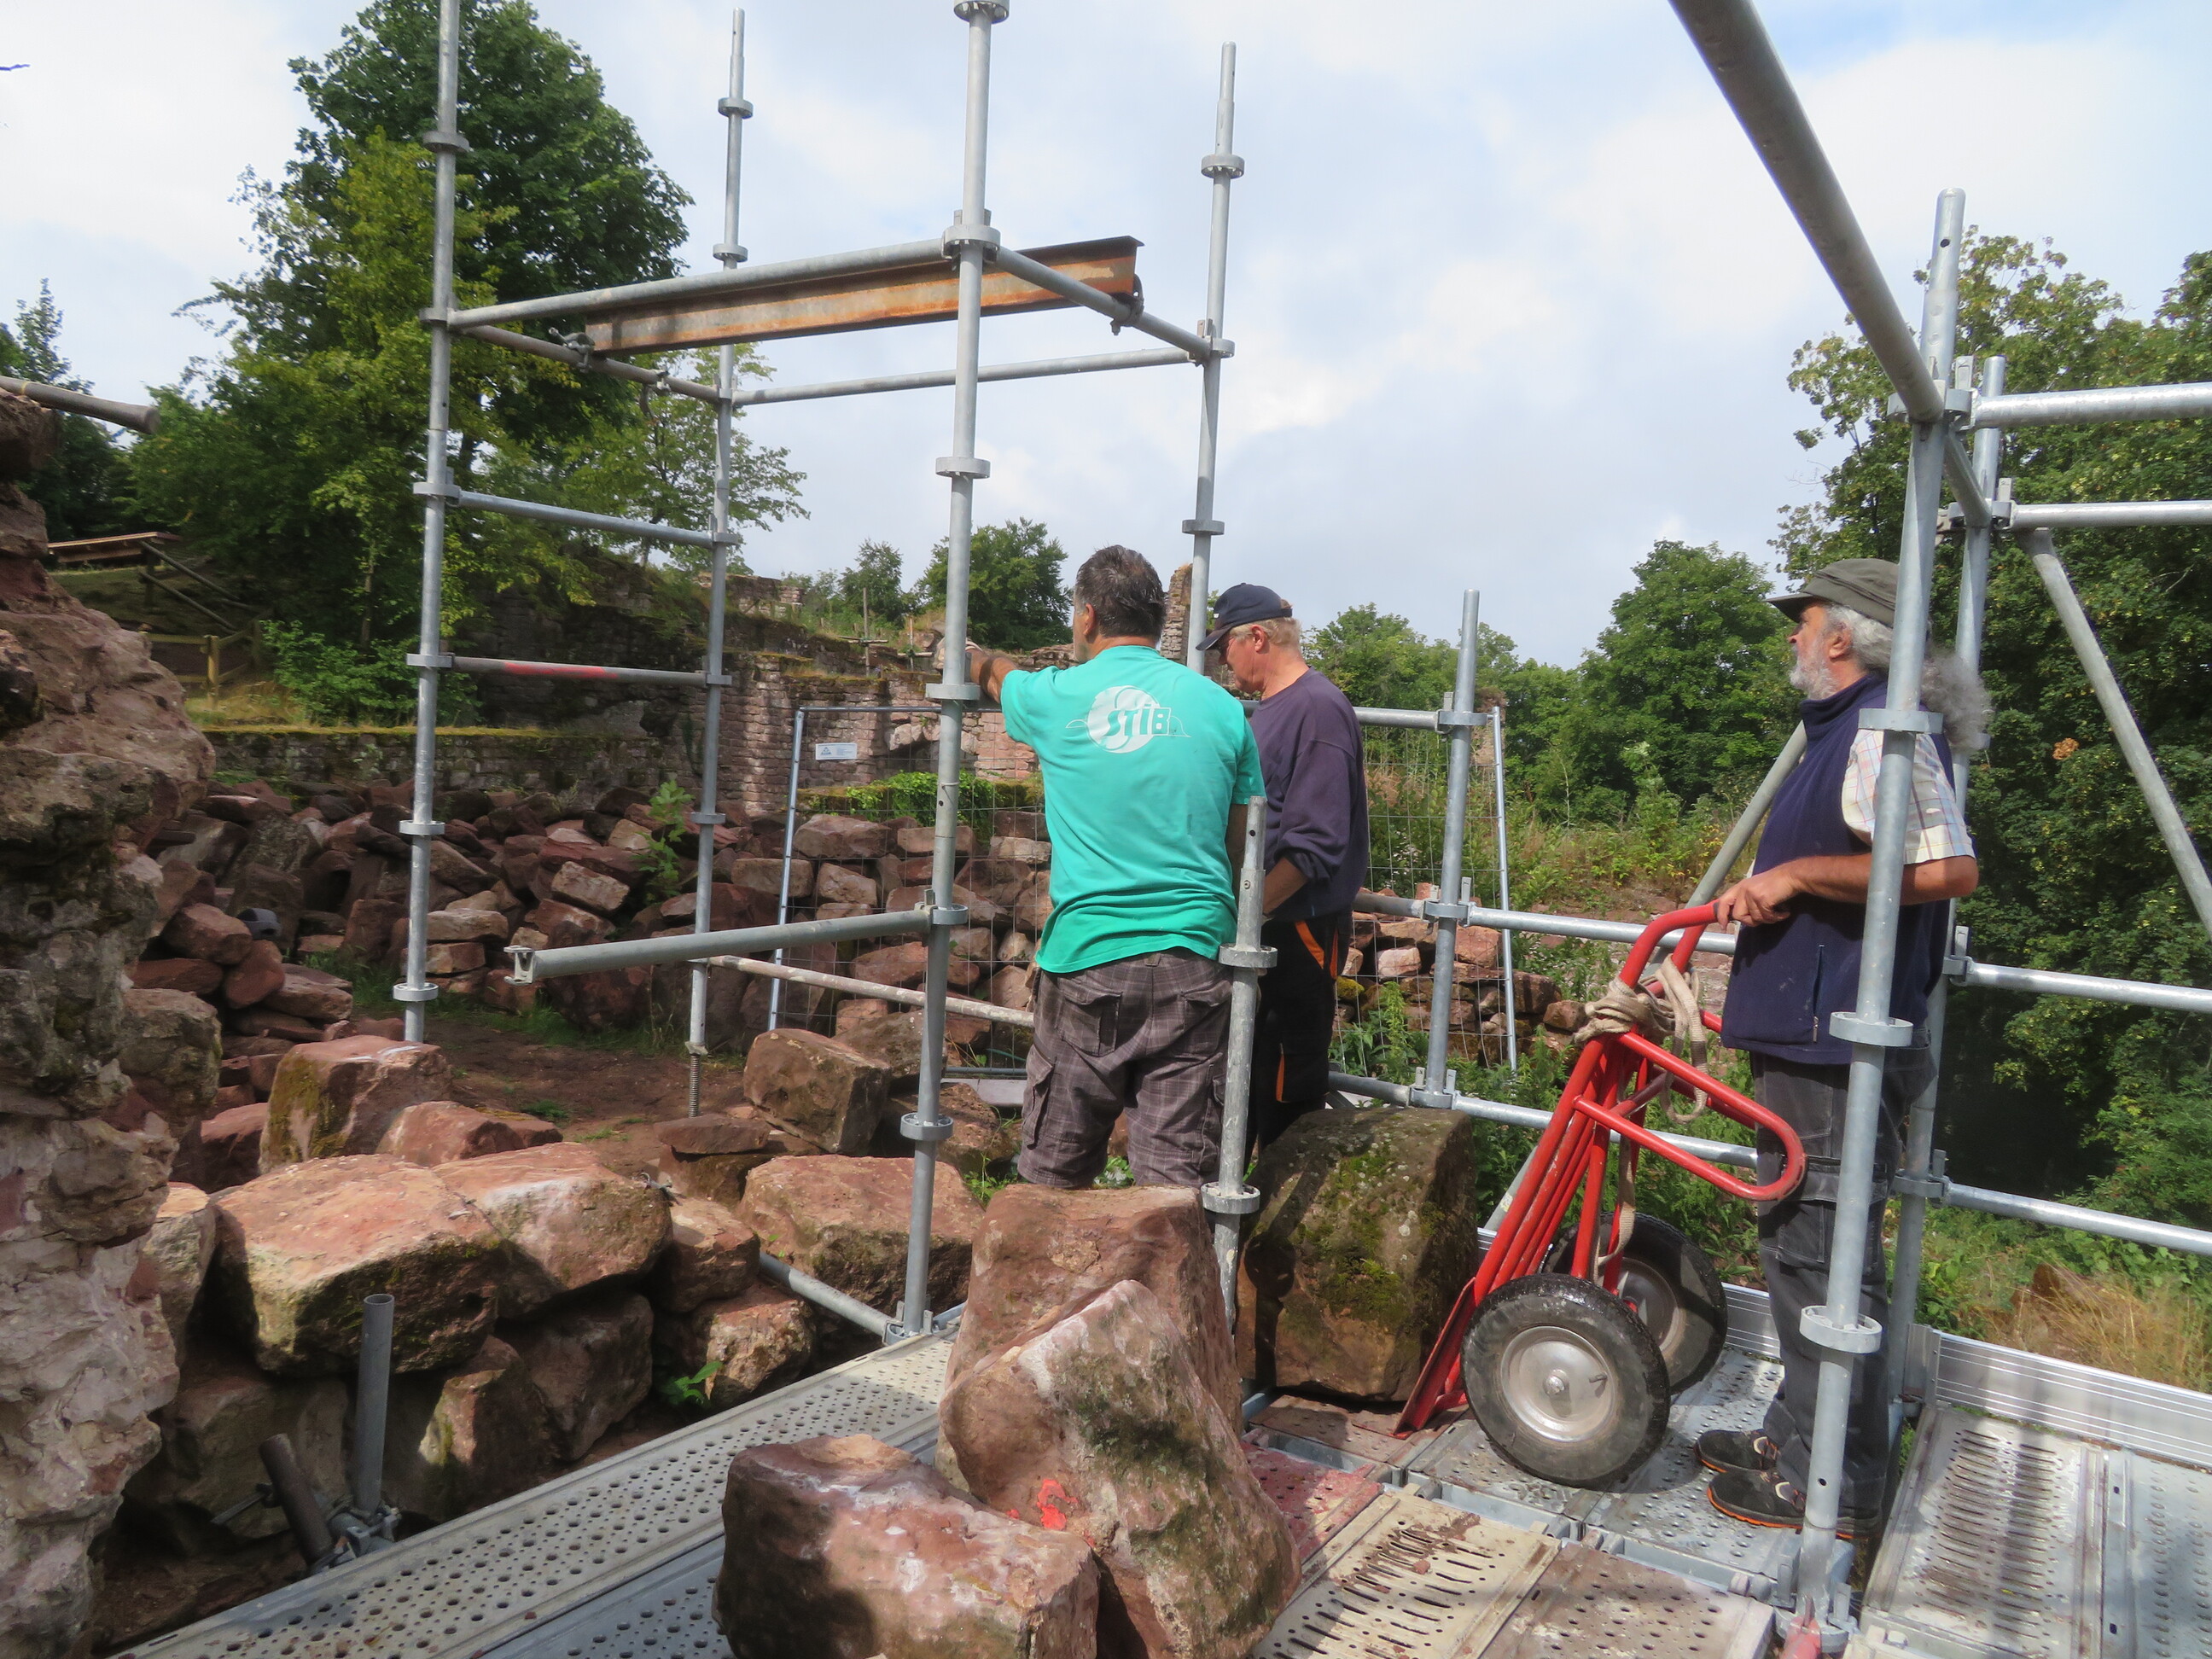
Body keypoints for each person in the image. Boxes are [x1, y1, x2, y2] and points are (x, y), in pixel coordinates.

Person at [1698, 557, 1982, 1536]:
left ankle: (1835, 1485)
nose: (1792, 634)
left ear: (1844, 636)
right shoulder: (1846, 731)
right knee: (1800, 1247)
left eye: (1805, 617)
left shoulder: (1880, 731)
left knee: (1821, 1257)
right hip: (1813, 1035)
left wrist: (1795, 877)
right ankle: (1794, 1437)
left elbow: (1948, 869)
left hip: (1836, 1042)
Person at [966, 546, 1264, 1189]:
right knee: (1176, 1187)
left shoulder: (1056, 695)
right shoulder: (1220, 706)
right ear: (1157, 621)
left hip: (1089, 959)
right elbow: (1241, 843)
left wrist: (971, 656)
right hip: (1196, 954)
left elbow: (999, 677)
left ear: (1088, 616)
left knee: (1055, 1172)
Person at [1202, 583, 1369, 1150]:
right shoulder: (1277, 707)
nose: (1222, 659)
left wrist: (1246, 918)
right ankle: (1241, 1195)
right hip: (1270, 921)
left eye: (1224, 645)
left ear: (1257, 637)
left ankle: (1280, 1199)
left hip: (1296, 926)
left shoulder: (1316, 708)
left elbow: (1316, 843)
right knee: (1247, 1070)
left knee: (1285, 1083)